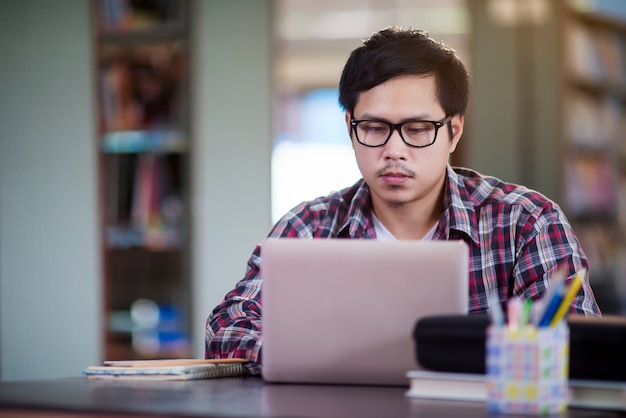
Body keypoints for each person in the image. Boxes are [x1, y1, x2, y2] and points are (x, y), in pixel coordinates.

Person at [205, 27, 601, 375]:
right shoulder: (309, 226)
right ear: (350, 127)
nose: (394, 150)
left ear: (454, 131)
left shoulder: (525, 222)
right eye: (374, 128)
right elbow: (226, 327)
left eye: (417, 129)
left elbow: (581, 345)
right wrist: (307, 358)